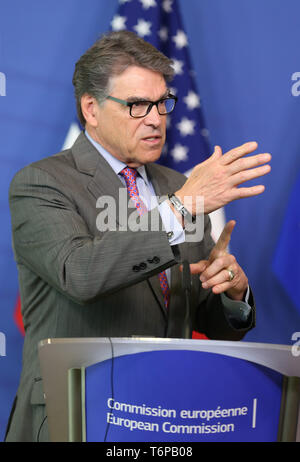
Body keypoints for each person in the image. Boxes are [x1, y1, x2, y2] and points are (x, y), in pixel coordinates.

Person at [5, 30, 271, 442]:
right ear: (90, 108)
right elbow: (81, 274)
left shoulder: (177, 184)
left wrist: (232, 294)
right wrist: (182, 207)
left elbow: (200, 320)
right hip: (78, 412)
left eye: (162, 103)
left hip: (167, 416)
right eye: (136, 105)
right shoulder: (42, 183)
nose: (155, 118)